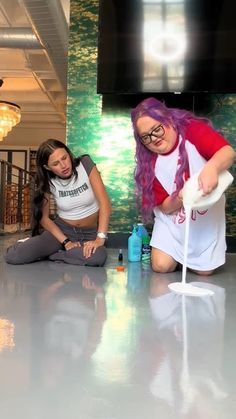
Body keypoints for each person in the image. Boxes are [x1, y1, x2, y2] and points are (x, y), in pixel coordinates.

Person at [131, 97, 235, 275]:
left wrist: (211, 168)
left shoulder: (192, 130)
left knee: (205, 272)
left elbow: (228, 152)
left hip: (204, 217)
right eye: (146, 137)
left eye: (157, 129)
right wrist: (181, 196)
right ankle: (176, 257)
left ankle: (185, 258)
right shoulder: (149, 164)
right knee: (160, 266)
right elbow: (164, 207)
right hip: (174, 218)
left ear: (169, 119)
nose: (154, 138)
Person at [5, 139, 111, 266]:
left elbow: (105, 203)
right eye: (55, 163)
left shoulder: (85, 164)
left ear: (69, 154)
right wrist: (66, 242)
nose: (64, 165)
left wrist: (100, 238)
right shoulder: (47, 181)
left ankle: (54, 254)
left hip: (90, 233)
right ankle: (52, 249)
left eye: (64, 158)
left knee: (98, 257)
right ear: (47, 167)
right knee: (13, 256)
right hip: (62, 232)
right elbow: (44, 219)